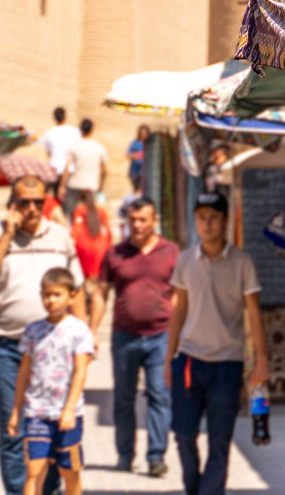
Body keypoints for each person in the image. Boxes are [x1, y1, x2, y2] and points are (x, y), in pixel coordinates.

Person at [0, 175, 85, 495]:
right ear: (12, 204)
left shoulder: (60, 236)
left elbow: (77, 288)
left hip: (55, 348)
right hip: (7, 346)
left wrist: (85, 334)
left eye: (38, 202)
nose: (32, 209)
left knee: (50, 427)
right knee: (13, 428)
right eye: (24, 202)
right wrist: (7, 235)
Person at [168, 190, 271, 495]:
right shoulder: (185, 261)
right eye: (201, 217)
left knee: (220, 441)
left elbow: (254, 312)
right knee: (184, 434)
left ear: (225, 221)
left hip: (228, 363)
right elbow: (178, 311)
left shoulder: (242, 263)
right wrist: (167, 358)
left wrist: (261, 360)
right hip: (188, 359)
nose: (207, 223)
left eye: (213, 217)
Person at [96, 197, 180, 475]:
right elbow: (101, 292)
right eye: (133, 220)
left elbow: (179, 295)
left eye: (143, 219)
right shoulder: (115, 254)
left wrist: (180, 331)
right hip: (124, 337)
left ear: (154, 221)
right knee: (123, 397)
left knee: (159, 394)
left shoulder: (171, 252)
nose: (138, 225)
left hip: (161, 335)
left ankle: (156, 456)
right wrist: (91, 331)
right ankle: (124, 455)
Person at [8, 268, 96, 495]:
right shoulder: (33, 331)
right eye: (47, 295)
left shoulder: (79, 331)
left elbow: (80, 372)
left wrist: (68, 409)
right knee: (34, 468)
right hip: (37, 410)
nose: (51, 300)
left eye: (57, 294)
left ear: (72, 296)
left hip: (67, 413)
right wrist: (17, 410)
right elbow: (24, 372)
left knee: (69, 470)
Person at [62, 117, 107, 219]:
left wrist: (62, 186)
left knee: (72, 215)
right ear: (92, 129)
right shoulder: (99, 147)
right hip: (91, 185)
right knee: (90, 216)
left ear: (80, 130)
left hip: (75, 184)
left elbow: (67, 168)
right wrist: (101, 185)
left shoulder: (74, 146)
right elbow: (104, 171)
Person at [39, 107, 82, 186]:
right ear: (65, 116)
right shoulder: (75, 131)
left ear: (54, 117)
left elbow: (49, 153)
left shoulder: (49, 133)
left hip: (55, 169)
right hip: (71, 169)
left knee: (56, 196)